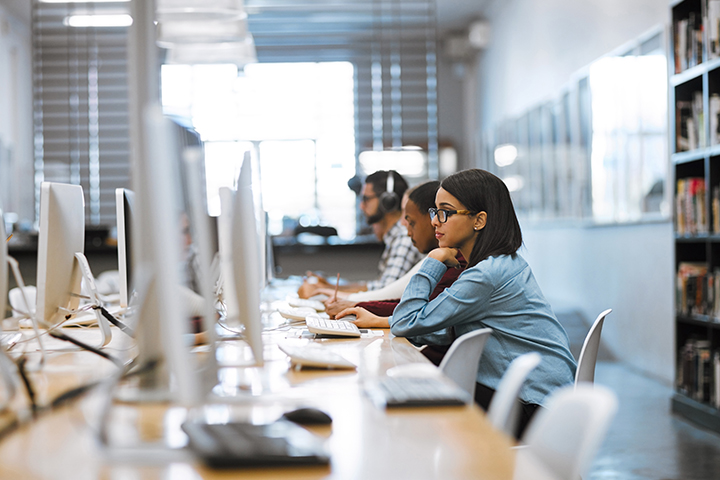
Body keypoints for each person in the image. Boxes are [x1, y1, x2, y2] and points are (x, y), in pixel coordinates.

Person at [338, 168, 576, 437]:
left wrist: (432, 261)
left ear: (479, 220)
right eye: (434, 212)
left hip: (532, 405)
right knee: (408, 397)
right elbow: (446, 327)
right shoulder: (497, 264)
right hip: (542, 396)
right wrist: (388, 322)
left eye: (445, 212)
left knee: (410, 413)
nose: (435, 222)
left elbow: (407, 322)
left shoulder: (486, 275)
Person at [298, 170, 423, 297]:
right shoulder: (395, 238)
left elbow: (384, 293)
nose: (361, 206)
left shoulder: (404, 238)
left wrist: (325, 291)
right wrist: (329, 286)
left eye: (366, 199)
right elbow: (377, 286)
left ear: (387, 202)